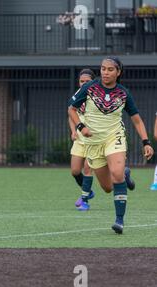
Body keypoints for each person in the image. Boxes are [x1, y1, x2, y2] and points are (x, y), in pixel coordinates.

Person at [68, 56, 154, 234]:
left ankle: (119, 221)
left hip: (114, 137)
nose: (105, 72)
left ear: (118, 72)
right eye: (103, 69)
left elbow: (136, 120)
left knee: (116, 174)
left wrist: (146, 142)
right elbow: (71, 109)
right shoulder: (89, 88)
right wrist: (80, 127)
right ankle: (126, 174)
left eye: (110, 69)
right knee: (107, 188)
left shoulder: (123, 93)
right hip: (93, 142)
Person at [69, 69, 96, 211]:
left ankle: (84, 200)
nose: (84, 84)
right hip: (80, 140)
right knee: (74, 171)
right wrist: (74, 131)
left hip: (93, 140)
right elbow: (71, 114)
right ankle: (89, 192)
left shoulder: (99, 97)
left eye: (87, 81)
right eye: (82, 81)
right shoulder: (77, 96)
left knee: (88, 169)